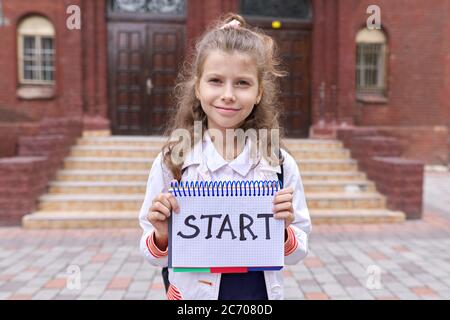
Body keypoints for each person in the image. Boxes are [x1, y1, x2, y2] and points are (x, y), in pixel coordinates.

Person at [139, 13, 311, 300]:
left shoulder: (279, 165)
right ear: (198, 87)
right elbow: (151, 253)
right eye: (216, 81)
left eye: (242, 83)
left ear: (259, 93)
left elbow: (299, 250)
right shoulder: (173, 162)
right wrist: (161, 235)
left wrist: (283, 230)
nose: (228, 95)